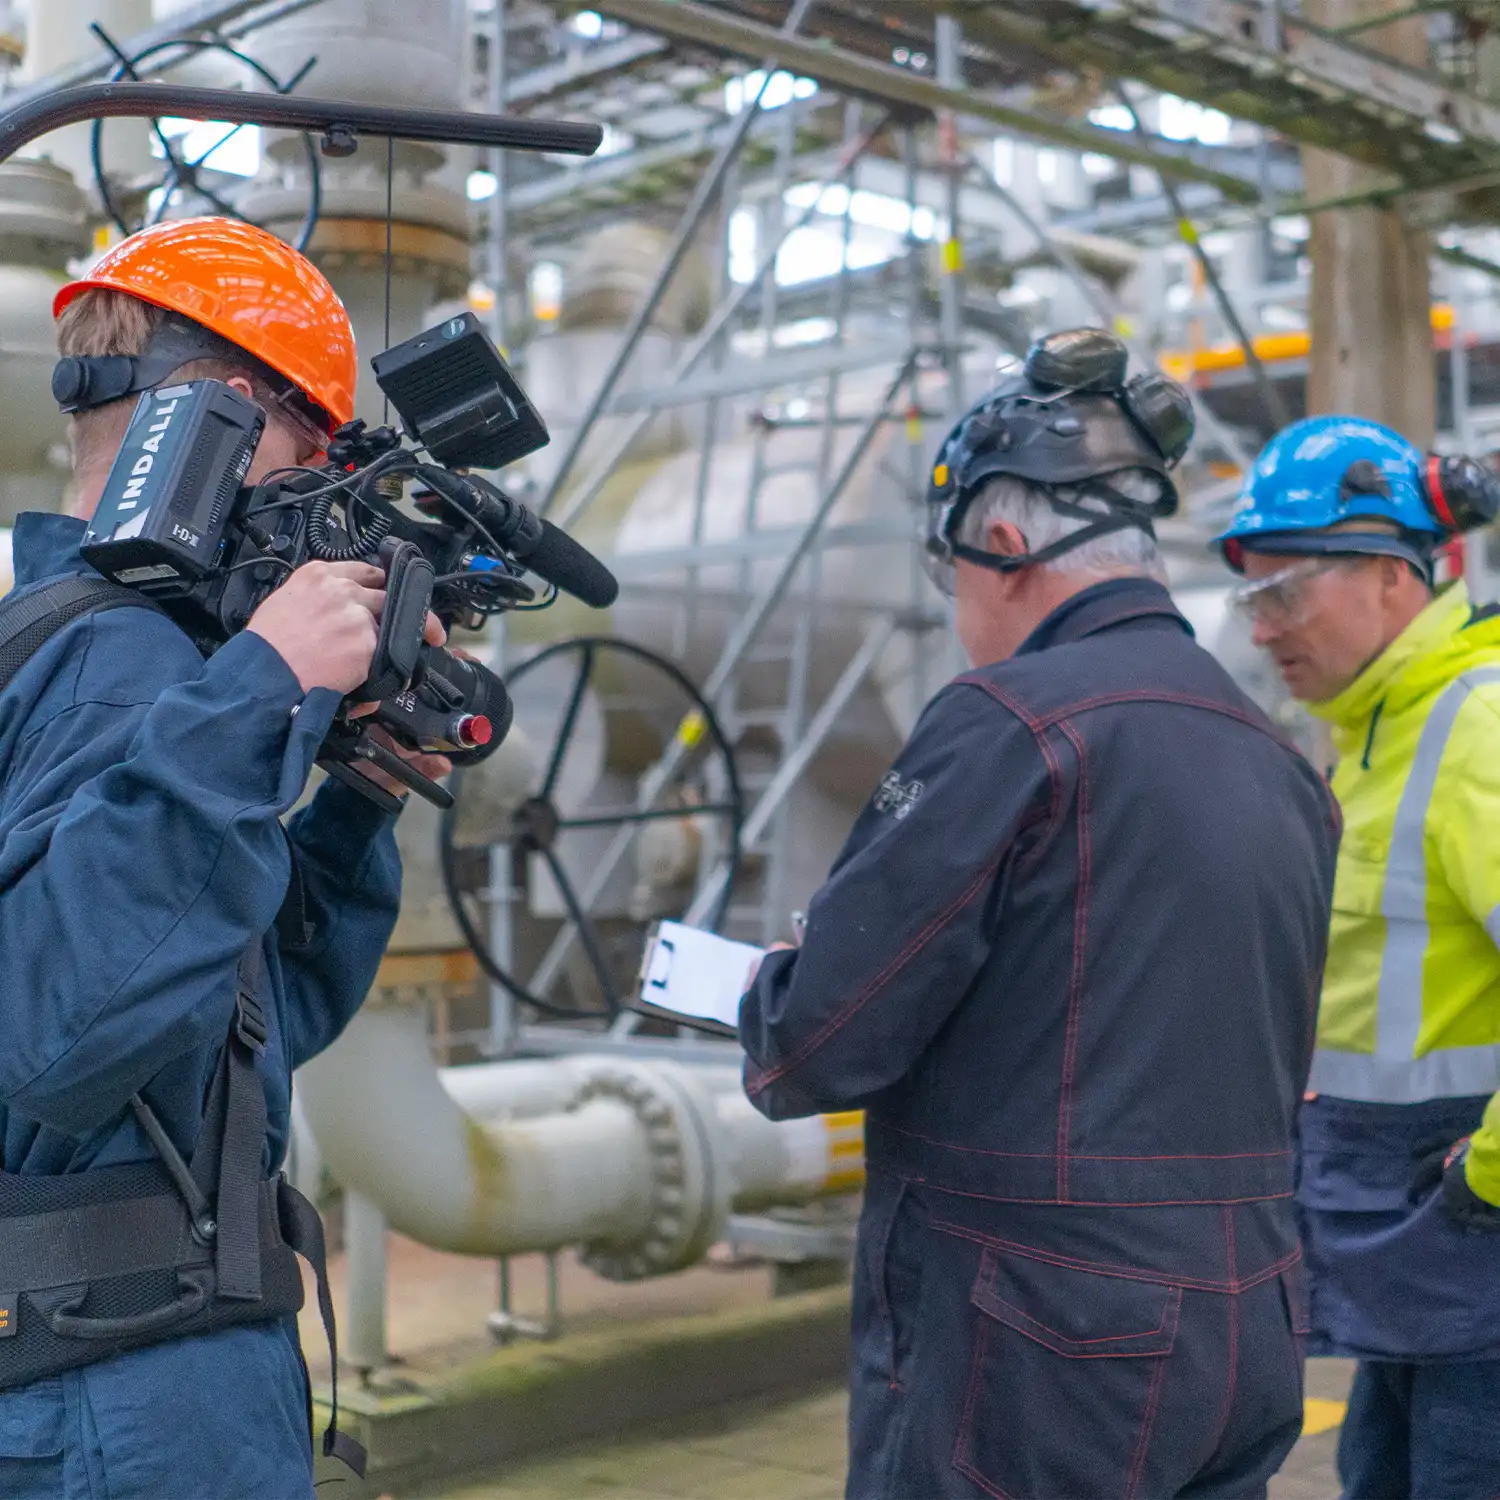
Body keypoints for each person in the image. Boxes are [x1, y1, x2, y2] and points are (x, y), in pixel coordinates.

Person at [739, 328, 1341, 1500]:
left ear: (1005, 546)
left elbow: (824, 1039)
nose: (962, 616)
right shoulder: (1280, 766)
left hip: (1049, 1332)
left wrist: (773, 989)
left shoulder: (1008, 725)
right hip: (1252, 1310)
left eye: (954, 580)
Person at [0, 216, 448, 1500]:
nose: (331, 497)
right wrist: (260, 693)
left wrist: (349, 806)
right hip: (120, 1396)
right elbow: (56, 1036)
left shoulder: (56, 645)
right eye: (326, 453)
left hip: (109, 1361)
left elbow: (228, 1043)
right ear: (241, 420)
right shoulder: (127, 666)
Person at [1218, 414, 1500, 1500]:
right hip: (1422, 1266)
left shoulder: (1472, 731)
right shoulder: (1374, 738)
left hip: (1470, 1252)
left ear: (1390, 577)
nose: (1262, 631)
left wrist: (1485, 1180)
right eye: (1253, 600)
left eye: (1282, 593)